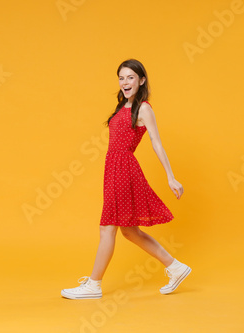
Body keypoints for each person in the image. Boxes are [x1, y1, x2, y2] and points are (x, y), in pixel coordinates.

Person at [61, 59, 191, 299]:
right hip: (112, 168)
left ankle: (93, 285)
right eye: (121, 78)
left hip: (124, 169)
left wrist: (171, 178)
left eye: (130, 77)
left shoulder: (143, 109)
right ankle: (176, 267)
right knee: (130, 231)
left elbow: (156, 143)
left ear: (141, 80)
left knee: (106, 227)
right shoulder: (122, 106)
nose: (125, 82)